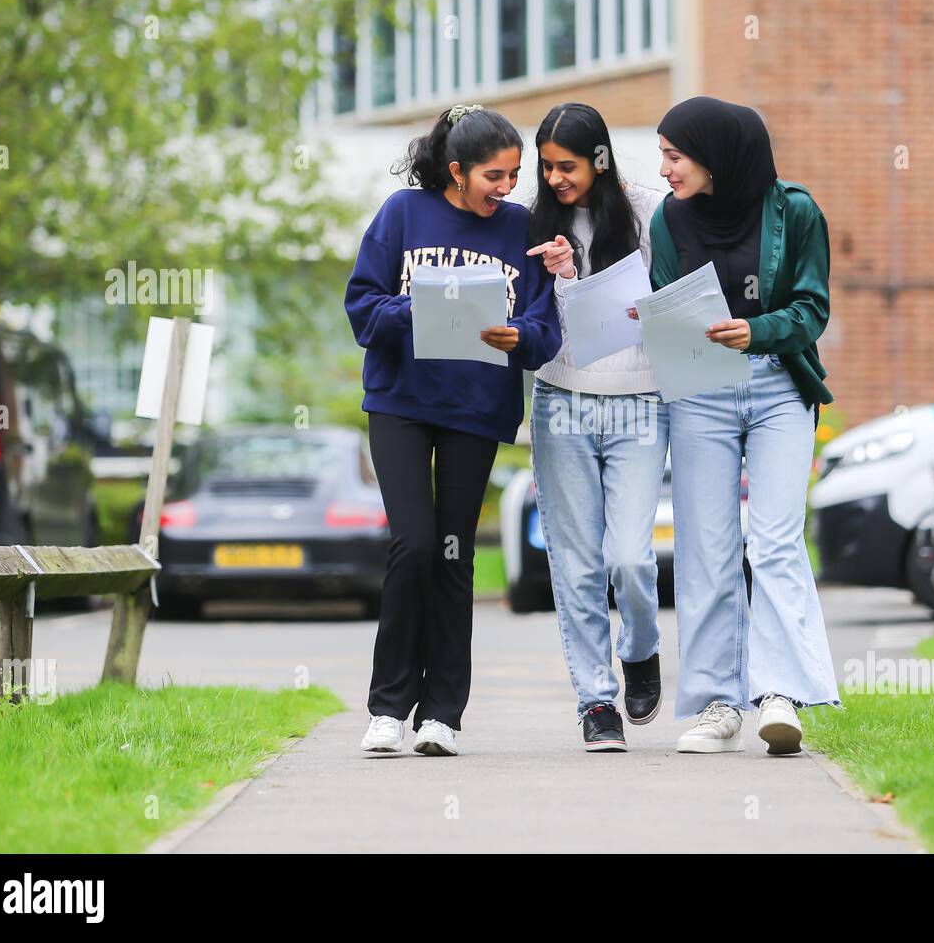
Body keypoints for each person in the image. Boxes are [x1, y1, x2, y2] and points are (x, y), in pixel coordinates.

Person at [345, 105, 561, 756]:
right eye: (494, 175)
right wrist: (424, 307)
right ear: (456, 169)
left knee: (452, 553)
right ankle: (388, 706)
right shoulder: (401, 214)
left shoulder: (526, 228)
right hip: (401, 403)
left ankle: (442, 713)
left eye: (515, 174)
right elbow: (363, 309)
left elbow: (546, 335)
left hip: (475, 409)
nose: (507, 187)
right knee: (412, 545)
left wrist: (516, 333)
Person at [647, 96, 841, 756]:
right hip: (701, 391)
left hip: (779, 385)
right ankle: (716, 703)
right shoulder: (668, 219)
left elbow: (812, 309)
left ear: (717, 155)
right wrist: (656, 325)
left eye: (675, 155)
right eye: (664, 154)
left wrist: (756, 330)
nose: (665, 167)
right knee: (705, 546)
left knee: (777, 539)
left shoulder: (796, 211)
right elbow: (669, 304)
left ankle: (780, 694)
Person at [523, 103, 669, 753]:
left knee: (630, 560)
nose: (556, 179)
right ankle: (596, 702)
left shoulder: (647, 210)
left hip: (640, 403)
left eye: (569, 166)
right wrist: (559, 278)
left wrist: (650, 304)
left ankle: (640, 650)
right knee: (577, 567)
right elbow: (537, 325)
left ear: (600, 159)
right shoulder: (534, 225)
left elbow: (678, 294)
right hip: (563, 403)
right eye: (547, 166)